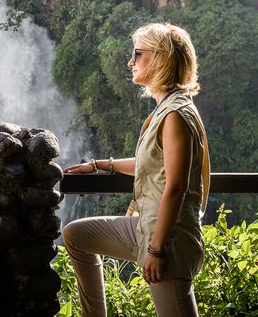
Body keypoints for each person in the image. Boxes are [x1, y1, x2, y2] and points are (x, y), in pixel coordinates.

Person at [62, 22, 211, 317]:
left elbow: (176, 186)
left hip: (167, 239)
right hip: (145, 226)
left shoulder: (176, 115)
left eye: (138, 54)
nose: (130, 62)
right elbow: (152, 165)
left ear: (160, 59)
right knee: (76, 235)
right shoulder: (166, 108)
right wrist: (99, 165)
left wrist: (157, 251)